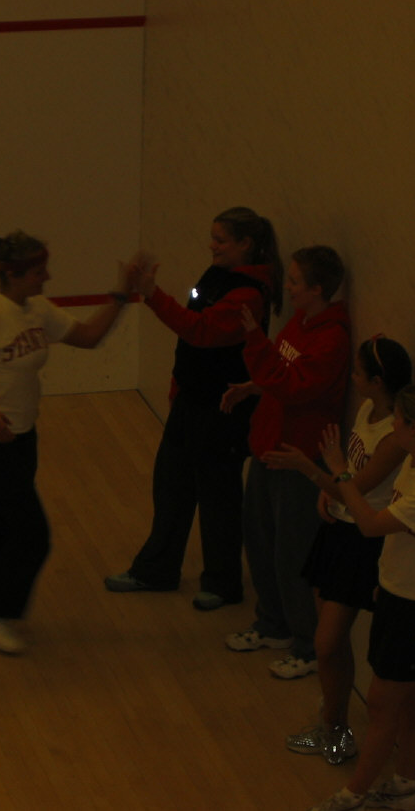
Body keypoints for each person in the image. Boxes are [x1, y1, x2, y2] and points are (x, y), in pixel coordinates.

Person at [0, 231, 128, 654]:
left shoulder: (37, 310)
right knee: (33, 535)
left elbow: (88, 337)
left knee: (3, 521)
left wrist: (122, 297)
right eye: (39, 272)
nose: (47, 277)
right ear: (14, 274)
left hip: (21, 438)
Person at [104, 207, 280, 609]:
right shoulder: (217, 274)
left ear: (245, 244)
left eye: (220, 239)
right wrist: (178, 386)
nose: (211, 246)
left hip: (224, 411)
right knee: (171, 486)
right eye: (212, 237)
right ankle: (156, 571)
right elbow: (191, 334)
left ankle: (222, 584)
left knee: (219, 499)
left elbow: (199, 331)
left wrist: (152, 294)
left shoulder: (249, 294)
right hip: (191, 403)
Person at [309, 384, 415, 811]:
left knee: (380, 704)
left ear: (413, 427)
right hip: (398, 597)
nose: (391, 425)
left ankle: (353, 795)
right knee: (410, 699)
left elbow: (371, 525)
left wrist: (340, 472)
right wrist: (385, 579)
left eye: (396, 419)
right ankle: (404, 788)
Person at [267, 336, 413, 764]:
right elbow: (346, 471)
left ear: (378, 381)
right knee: (329, 643)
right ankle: (335, 727)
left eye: (358, 372)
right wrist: (326, 491)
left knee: (327, 643)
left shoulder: (395, 437)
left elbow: (355, 486)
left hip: (365, 540)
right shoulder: (367, 409)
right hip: (337, 530)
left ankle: (335, 729)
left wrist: (311, 471)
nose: (352, 377)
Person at [223, 245, 351, 680]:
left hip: (299, 459)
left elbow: (295, 386)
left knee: (292, 554)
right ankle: (273, 624)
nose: (288, 287)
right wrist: (254, 386)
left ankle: (308, 647)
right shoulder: (300, 321)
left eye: (295, 281)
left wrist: (254, 341)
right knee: (260, 541)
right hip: (268, 448)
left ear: (317, 289)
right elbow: (278, 371)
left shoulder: (332, 340)